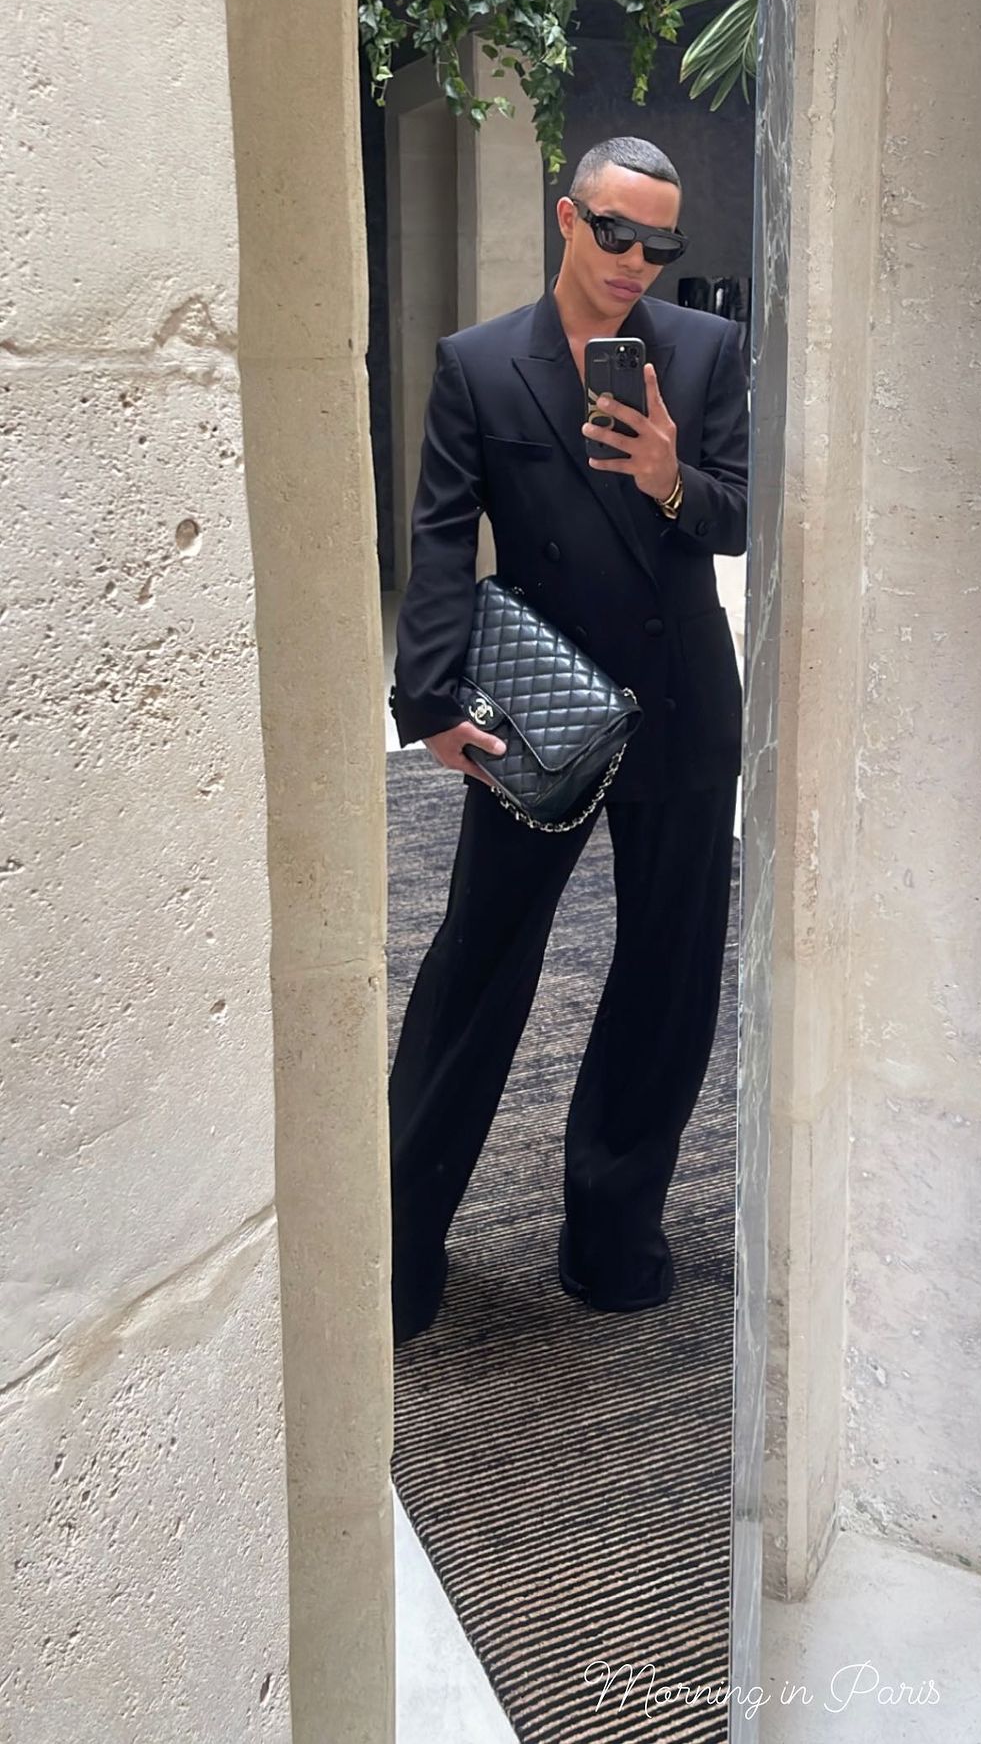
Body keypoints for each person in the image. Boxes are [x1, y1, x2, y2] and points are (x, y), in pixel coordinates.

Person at [387, 136, 748, 1344]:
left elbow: (741, 515)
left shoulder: (705, 352)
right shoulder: (480, 363)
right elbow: (443, 539)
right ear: (566, 217)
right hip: (540, 712)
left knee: (667, 981)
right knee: (476, 966)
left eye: (659, 244)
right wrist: (430, 698)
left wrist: (669, 476)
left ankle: (612, 1238)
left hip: (683, 705)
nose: (635, 260)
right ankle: (396, 1254)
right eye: (615, 232)